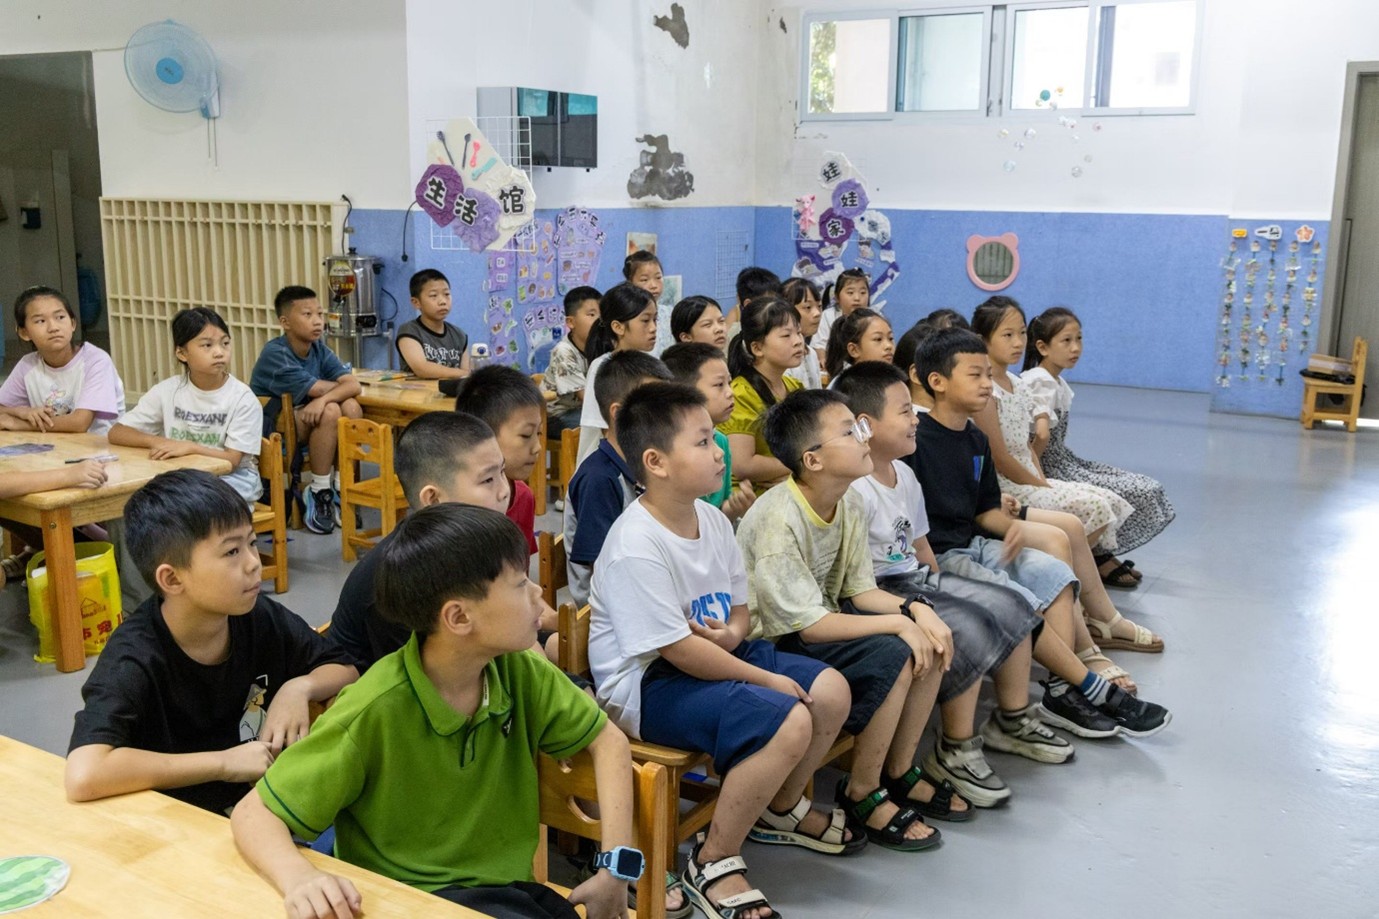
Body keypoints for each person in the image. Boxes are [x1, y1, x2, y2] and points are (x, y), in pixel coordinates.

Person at [231, 504, 636, 919]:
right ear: (458, 617)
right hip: (403, 901)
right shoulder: (374, 708)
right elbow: (253, 813)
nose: (539, 595)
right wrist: (299, 878)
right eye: (520, 584)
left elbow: (608, 741)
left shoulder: (519, 670)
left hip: (505, 895)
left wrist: (614, 870)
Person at [590, 382, 859, 919]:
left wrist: (734, 635)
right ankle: (713, 859)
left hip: (710, 657)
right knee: (789, 718)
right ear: (656, 462)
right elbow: (678, 652)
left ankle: (777, 808)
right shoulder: (635, 545)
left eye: (715, 438)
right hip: (647, 684)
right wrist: (765, 680)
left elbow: (739, 610)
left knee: (831, 691)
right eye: (702, 442)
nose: (719, 451)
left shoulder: (711, 518)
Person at [906, 328, 1172, 737]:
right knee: (1019, 600)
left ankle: (1060, 689)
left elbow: (984, 510)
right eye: (975, 375)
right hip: (940, 556)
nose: (987, 384)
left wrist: (1011, 527)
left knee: (1057, 575)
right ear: (937, 382)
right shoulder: (916, 442)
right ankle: (1085, 685)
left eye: (988, 375)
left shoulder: (974, 438)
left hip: (974, 544)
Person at [834, 361, 1068, 806]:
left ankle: (1012, 718)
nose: (915, 420)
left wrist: (944, 589)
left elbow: (920, 544)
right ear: (866, 425)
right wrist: (941, 602)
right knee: (967, 626)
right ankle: (956, 748)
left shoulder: (903, 474)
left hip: (916, 580)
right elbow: (856, 581)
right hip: (881, 589)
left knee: (1011, 604)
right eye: (905, 411)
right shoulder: (855, 489)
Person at [738, 389, 963, 851]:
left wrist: (915, 609)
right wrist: (899, 624)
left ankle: (898, 771)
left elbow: (860, 590)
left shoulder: (849, 501)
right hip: (769, 642)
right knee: (897, 650)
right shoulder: (780, 518)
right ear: (813, 460)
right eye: (849, 432)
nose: (864, 438)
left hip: (815, 624)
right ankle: (863, 791)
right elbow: (808, 626)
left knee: (931, 636)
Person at [64, 470, 357, 813]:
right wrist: (224, 763)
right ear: (172, 579)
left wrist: (299, 688)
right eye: (232, 551)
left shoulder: (256, 615)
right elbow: (84, 773)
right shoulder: (135, 656)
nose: (253, 563)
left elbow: (345, 668)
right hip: (175, 822)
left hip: (257, 809)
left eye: (251, 543)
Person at [970, 298, 1164, 654]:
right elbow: (999, 456)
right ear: (983, 340)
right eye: (1007, 335)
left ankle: (1089, 607)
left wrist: (1041, 477)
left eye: (1021, 333)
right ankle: (1086, 608)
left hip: (1029, 475)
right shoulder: (986, 391)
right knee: (1090, 508)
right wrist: (1038, 484)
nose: (1018, 342)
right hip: (1008, 485)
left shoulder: (1017, 383)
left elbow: (1027, 446)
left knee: (1105, 501)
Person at [329, 411, 511, 669]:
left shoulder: (475, 542)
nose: (504, 490)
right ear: (433, 500)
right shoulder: (397, 581)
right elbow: (431, 677)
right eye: (488, 480)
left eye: (503, 471)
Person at [1023, 307, 1175, 587]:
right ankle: (1097, 556)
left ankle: (1099, 553)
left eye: (1079, 339)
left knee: (1139, 485)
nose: (1076, 348)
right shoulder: (1039, 381)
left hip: (1064, 460)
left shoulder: (1056, 381)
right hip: (1048, 466)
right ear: (1042, 347)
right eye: (1066, 341)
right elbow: (1040, 437)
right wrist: (1036, 477)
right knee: (1136, 489)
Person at [0, 285, 126, 579]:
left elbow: (80, 422)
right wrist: (21, 411)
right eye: (40, 321)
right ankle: (45, 549)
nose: (53, 327)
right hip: (52, 457)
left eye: (59, 317)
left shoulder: (94, 360)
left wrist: (19, 423)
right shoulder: (28, 366)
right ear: (24, 332)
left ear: (73, 323)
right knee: (13, 499)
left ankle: (83, 553)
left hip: (104, 457)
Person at [109, 307, 263, 505]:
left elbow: (231, 461)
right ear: (182, 353)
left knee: (175, 504)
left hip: (232, 481)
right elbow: (117, 432)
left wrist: (189, 447)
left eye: (225, 343)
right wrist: (160, 442)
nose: (219, 352)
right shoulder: (167, 390)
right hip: (184, 478)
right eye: (207, 345)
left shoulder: (242, 398)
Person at [249, 285, 362, 535]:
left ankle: (342, 487)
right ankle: (319, 491)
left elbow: (353, 385)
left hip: (304, 419)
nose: (317, 321)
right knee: (331, 411)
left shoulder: (319, 348)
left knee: (351, 407)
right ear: (285, 322)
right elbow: (327, 389)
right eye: (307, 315)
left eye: (320, 314)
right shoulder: (276, 353)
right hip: (273, 431)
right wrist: (325, 399)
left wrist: (323, 399)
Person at [564, 351, 672, 607]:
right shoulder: (599, 478)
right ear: (618, 412)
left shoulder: (643, 465)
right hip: (610, 610)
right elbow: (603, 573)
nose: (667, 415)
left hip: (643, 588)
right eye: (654, 404)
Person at [454, 365, 547, 555]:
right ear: (484, 435)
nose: (537, 447)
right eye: (526, 435)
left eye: (538, 433)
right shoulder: (458, 503)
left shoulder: (524, 497)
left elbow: (520, 567)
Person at [719, 296, 806, 491]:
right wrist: (800, 466)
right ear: (757, 348)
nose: (798, 341)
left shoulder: (795, 387)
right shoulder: (741, 394)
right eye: (786, 335)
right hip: (749, 497)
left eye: (799, 333)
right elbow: (743, 465)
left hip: (787, 487)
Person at [661, 343, 756, 521]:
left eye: (729, 383)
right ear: (686, 392)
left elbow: (719, 512)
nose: (730, 392)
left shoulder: (721, 442)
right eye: (719, 385)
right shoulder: (673, 448)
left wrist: (733, 508)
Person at [576, 283, 659, 467]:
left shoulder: (650, 364)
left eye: (655, 319)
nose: (653, 328)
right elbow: (607, 433)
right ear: (618, 327)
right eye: (645, 321)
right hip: (608, 467)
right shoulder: (602, 367)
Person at [542, 286, 601, 435]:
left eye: (602, 315)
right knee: (604, 423)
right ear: (570, 322)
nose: (599, 321)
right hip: (555, 416)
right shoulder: (563, 351)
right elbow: (586, 398)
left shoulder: (597, 347)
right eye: (592, 314)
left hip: (580, 409)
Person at [396, 269, 470, 379]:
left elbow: (466, 374)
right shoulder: (409, 331)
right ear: (416, 302)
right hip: (418, 390)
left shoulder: (459, 335)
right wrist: (464, 373)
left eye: (446, 294)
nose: (443, 301)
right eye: (433, 295)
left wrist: (467, 374)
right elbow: (422, 369)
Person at [812, 268, 870, 362]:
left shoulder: (875, 319)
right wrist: (822, 359)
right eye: (850, 292)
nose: (857, 298)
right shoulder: (828, 316)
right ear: (837, 297)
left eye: (863, 293)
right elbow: (819, 346)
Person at [823, 309, 894, 384]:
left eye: (890, 338)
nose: (888, 346)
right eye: (878, 339)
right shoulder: (844, 386)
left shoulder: (892, 382)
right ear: (854, 350)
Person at [782, 277, 824, 389]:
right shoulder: (781, 357)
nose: (817, 313)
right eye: (808, 307)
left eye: (819, 306)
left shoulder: (811, 353)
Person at [724, 266, 784, 342]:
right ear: (749, 305)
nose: (775, 307)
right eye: (768, 302)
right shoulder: (735, 330)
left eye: (777, 302)